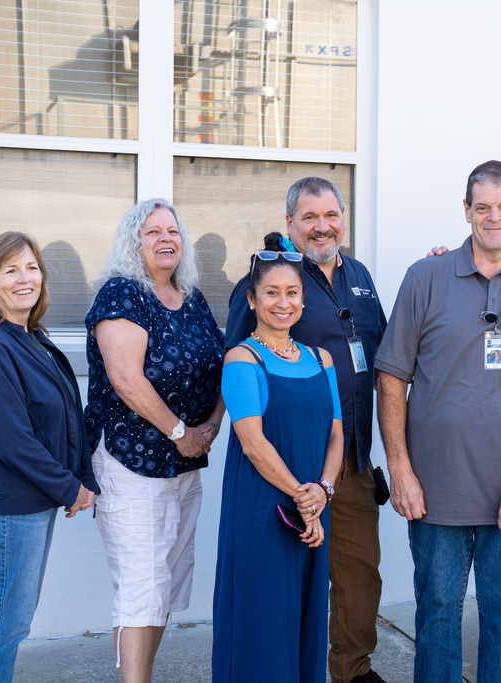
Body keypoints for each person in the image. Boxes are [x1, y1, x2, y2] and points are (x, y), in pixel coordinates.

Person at [376, 160, 501, 683]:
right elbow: (391, 377)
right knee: (436, 617)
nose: (494, 217)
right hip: (434, 492)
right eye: (481, 207)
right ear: (466, 211)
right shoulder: (425, 277)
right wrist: (400, 469)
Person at [225, 177, 387, 683]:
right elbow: (236, 359)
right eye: (310, 218)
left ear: (343, 217)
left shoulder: (358, 274)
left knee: (358, 575)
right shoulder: (271, 277)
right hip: (286, 464)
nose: (323, 227)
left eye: (332, 215)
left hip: (348, 456)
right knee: (284, 582)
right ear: (290, 222)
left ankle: (352, 671)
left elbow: (378, 346)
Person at [85, 198, 226, 683]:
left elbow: (222, 364)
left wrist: (211, 424)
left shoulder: (192, 297)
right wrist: (181, 432)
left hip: (185, 464)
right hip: (131, 462)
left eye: (173, 231)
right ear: (133, 242)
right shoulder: (121, 295)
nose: (167, 239)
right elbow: (126, 379)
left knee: (163, 584)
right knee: (141, 587)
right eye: (153, 232)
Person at [0, 232, 99, 682]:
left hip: (30, 503)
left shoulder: (30, 337)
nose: (25, 278)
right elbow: (13, 441)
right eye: (11, 269)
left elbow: (65, 418)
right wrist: (69, 487)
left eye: (32, 267)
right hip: (7, 509)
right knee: (4, 626)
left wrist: (82, 478)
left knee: (11, 622)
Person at [213, 232, 344, 682]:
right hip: (264, 513)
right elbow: (253, 443)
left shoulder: (322, 358)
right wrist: (302, 498)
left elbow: (336, 435)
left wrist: (322, 491)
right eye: (272, 292)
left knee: (306, 620)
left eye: (292, 293)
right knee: (263, 624)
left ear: (303, 300)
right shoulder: (241, 359)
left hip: (312, 508)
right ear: (251, 299)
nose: (282, 302)